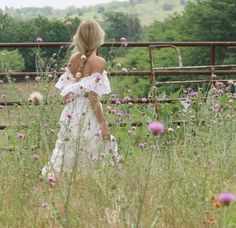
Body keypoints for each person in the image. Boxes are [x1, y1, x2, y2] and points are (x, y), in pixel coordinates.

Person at [41, 19, 119, 177]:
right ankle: (88, 178)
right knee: (95, 143)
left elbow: (65, 94)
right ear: (98, 37)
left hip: (71, 110)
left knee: (67, 145)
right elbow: (92, 98)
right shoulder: (99, 62)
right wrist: (103, 124)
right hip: (89, 111)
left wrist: (74, 108)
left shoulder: (73, 59)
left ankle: (59, 177)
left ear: (79, 37)